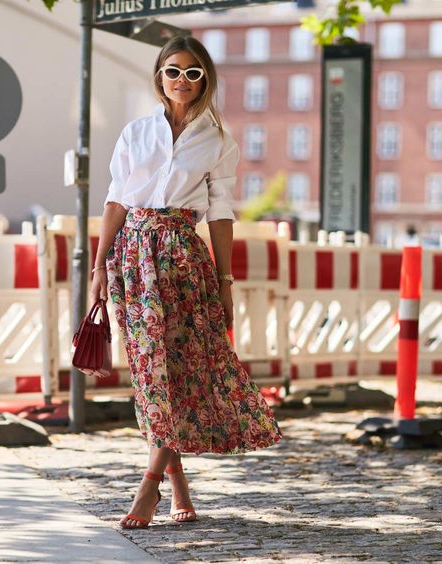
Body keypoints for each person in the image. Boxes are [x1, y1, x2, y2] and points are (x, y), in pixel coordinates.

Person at [90, 36, 283, 530]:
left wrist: (225, 280)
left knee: (175, 369)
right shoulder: (135, 133)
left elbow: (219, 214)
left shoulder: (219, 141)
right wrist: (98, 268)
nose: (181, 80)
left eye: (192, 73)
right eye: (172, 70)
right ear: (159, 76)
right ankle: (177, 483)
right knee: (148, 372)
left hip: (182, 258)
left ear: (206, 80)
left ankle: (150, 483)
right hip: (132, 258)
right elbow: (114, 202)